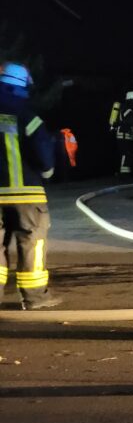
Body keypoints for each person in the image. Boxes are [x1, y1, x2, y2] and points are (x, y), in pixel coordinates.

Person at [0, 62, 59, 309]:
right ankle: (35, 298)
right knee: (32, 242)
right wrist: (47, 171)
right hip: (26, 193)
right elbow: (42, 151)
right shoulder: (26, 114)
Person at [109, 87, 133, 177]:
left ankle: (127, 171)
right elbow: (131, 121)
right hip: (124, 135)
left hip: (126, 135)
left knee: (128, 154)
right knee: (126, 154)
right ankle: (125, 174)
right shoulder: (128, 109)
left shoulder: (125, 108)